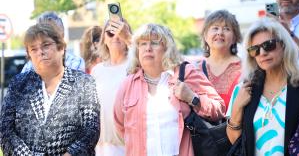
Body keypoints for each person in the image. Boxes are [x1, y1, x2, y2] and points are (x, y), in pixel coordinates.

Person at [113, 23, 225, 156]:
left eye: (154, 43)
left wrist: (192, 98)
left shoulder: (185, 73)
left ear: (167, 49)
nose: (148, 48)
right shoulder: (128, 84)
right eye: (143, 43)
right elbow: (121, 127)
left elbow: (220, 108)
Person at [0, 23, 100, 155]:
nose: (40, 52)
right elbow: (5, 131)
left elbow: (90, 130)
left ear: (61, 48)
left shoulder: (83, 83)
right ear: (29, 55)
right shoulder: (18, 84)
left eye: (46, 45)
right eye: (33, 49)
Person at [226, 17, 299, 155]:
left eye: (269, 45)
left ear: (284, 45)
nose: (262, 53)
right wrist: (237, 107)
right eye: (255, 49)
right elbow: (236, 142)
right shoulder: (243, 89)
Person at [91, 18, 132, 156]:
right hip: (102, 145)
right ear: (104, 38)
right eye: (110, 33)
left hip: (128, 144)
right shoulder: (97, 70)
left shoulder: (134, 66)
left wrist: (130, 39)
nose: (116, 37)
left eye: (120, 32)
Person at [198, 10, 242, 108]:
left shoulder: (245, 69)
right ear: (205, 36)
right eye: (215, 28)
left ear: (235, 37)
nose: (220, 32)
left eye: (226, 29)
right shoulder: (195, 68)